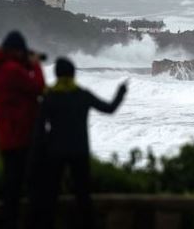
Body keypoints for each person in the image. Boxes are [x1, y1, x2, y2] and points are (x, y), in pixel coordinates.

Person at [31, 57, 127, 229]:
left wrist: (39, 153)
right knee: (83, 197)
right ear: (74, 74)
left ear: (56, 74)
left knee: (51, 196)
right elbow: (110, 108)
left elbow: (38, 130)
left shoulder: (50, 97)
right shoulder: (82, 95)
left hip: (55, 152)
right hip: (79, 151)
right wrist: (121, 92)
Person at [0, 31, 46, 229]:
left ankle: (10, 222)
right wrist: (36, 65)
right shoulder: (11, 70)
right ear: (16, 51)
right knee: (33, 186)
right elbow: (38, 87)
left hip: (6, 134)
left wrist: (23, 62)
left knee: (11, 185)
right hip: (23, 134)